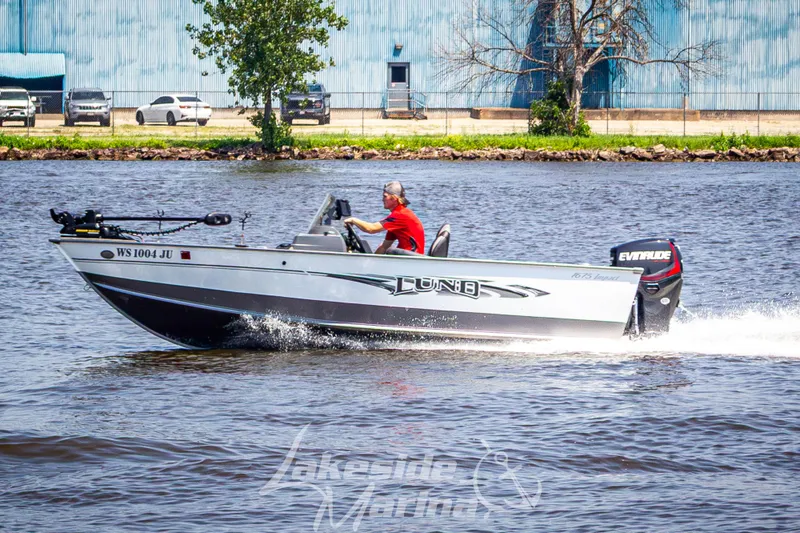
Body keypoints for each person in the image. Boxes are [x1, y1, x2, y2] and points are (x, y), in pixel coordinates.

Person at [343, 181, 425, 254]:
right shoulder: (397, 218)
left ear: (394, 198)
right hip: (406, 257)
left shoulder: (400, 215)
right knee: (387, 249)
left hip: (412, 258)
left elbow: (371, 229)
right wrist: (371, 262)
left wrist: (353, 220)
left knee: (390, 251)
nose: (382, 199)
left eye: (385, 196)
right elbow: (384, 246)